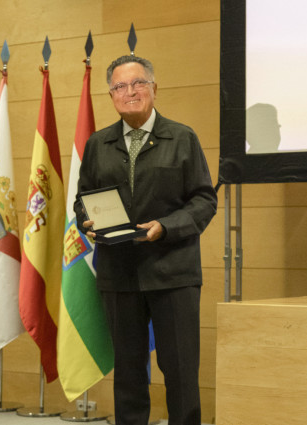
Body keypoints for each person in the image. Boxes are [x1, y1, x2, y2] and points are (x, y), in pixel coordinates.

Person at [74, 55, 217, 425]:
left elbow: (204, 199)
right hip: (118, 273)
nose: (130, 92)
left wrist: (166, 227)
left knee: (181, 371)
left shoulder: (182, 137)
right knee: (129, 372)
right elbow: (83, 198)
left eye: (138, 83)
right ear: (111, 95)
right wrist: (86, 221)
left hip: (173, 273)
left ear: (154, 88)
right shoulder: (97, 144)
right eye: (120, 87)